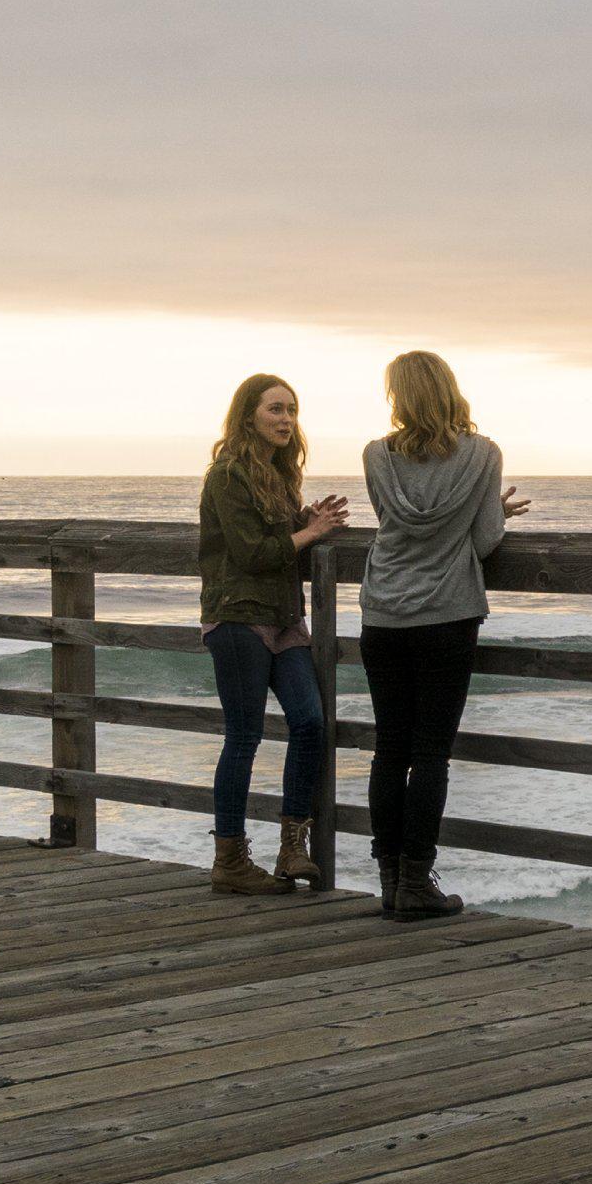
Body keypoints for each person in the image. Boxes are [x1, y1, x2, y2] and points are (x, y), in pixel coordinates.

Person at [355, 348, 526, 920]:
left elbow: (393, 523)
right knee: (431, 754)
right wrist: (488, 513)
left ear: (399, 397)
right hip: (447, 616)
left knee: (389, 748)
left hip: (383, 613)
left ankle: (387, 879)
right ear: (449, 389)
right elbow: (482, 541)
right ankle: (414, 883)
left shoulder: (376, 456)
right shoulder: (483, 454)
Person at [196, 373, 347, 895]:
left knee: (310, 723)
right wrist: (310, 533)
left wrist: (306, 519)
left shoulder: (278, 477)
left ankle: (292, 848)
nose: (286, 420)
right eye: (275, 410)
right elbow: (250, 553)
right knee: (244, 736)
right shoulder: (227, 476)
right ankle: (230, 860)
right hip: (237, 617)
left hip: (283, 619)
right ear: (248, 417)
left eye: (292, 410)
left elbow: (274, 539)